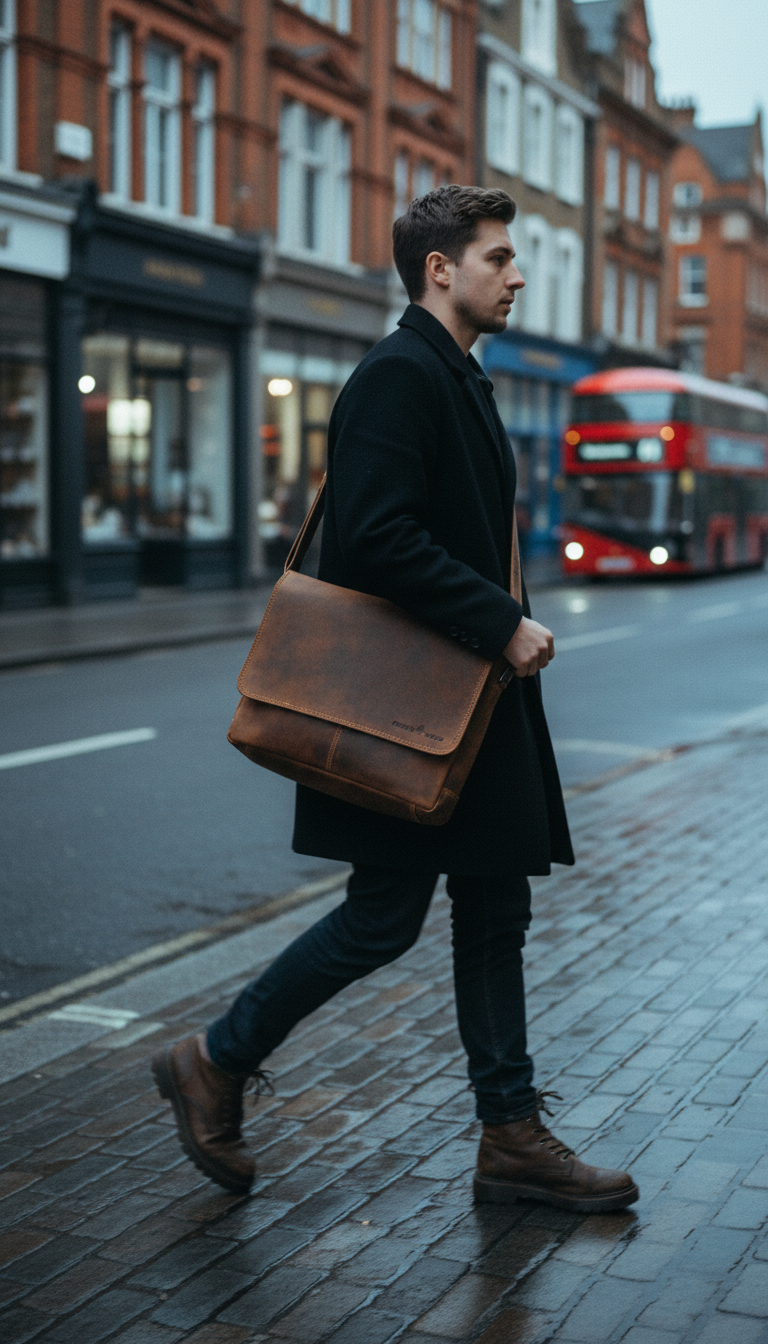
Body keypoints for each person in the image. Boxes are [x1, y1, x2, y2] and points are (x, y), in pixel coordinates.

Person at [152, 186, 639, 1214]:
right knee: (381, 918)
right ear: (439, 270)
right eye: (499, 257)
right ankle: (215, 1059)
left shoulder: (455, 377)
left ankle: (508, 1136)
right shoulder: (399, 376)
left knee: (493, 905)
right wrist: (500, 622)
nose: (517, 274)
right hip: (417, 703)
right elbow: (374, 537)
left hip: (462, 700)